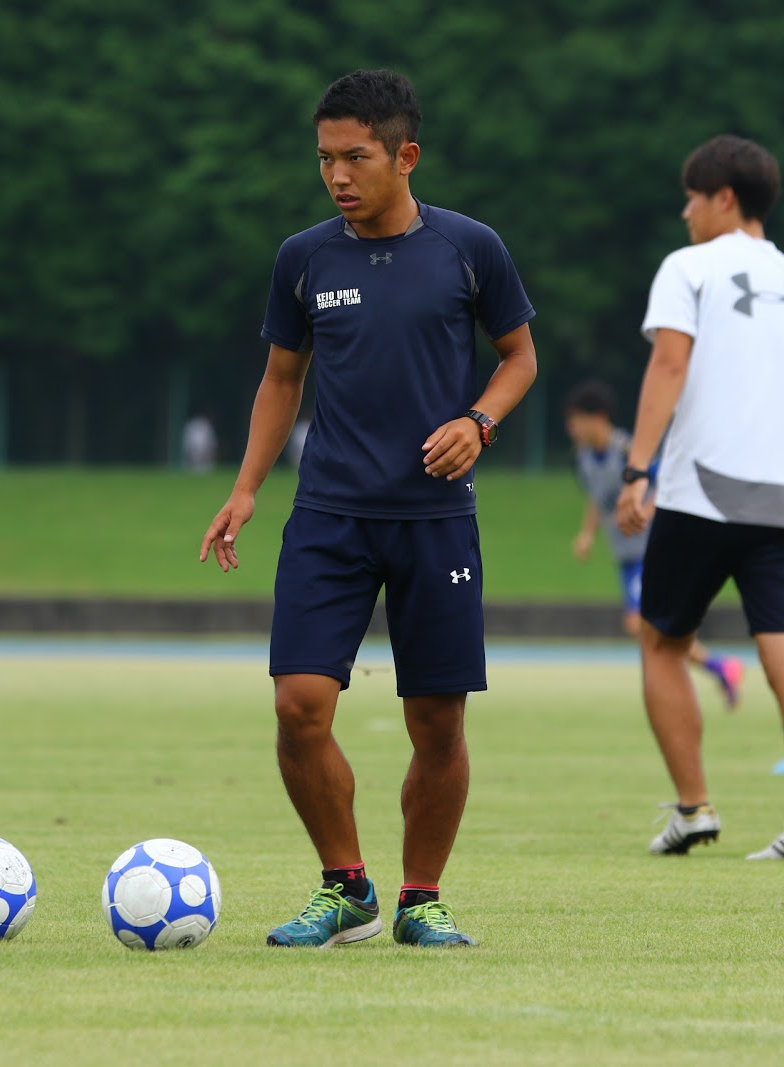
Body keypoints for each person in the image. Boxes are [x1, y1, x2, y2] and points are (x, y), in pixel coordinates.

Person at [198, 69, 537, 947]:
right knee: (298, 706)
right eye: (324, 159)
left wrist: (478, 421)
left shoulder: (469, 248)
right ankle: (346, 887)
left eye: (355, 157)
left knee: (438, 722)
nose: (337, 176)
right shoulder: (303, 258)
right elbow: (282, 379)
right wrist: (244, 488)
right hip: (329, 516)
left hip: (435, 520)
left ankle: (422, 898)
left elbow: (520, 357)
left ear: (405, 155)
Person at [614, 135, 784, 861]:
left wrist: (637, 469)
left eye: (692, 198)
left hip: (702, 495)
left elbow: (669, 364)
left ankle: (693, 809)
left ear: (724, 198)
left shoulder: (688, 268)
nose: (685, 212)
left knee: (662, 641)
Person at [564, 379, 743, 707]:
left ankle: (691, 678)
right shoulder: (584, 459)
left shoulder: (628, 450)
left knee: (640, 623)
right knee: (651, 625)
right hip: (626, 555)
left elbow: (665, 480)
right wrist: (587, 534)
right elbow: (597, 499)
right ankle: (717, 668)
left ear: (597, 418)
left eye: (576, 419)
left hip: (650, 549)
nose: (571, 428)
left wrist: (646, 509)